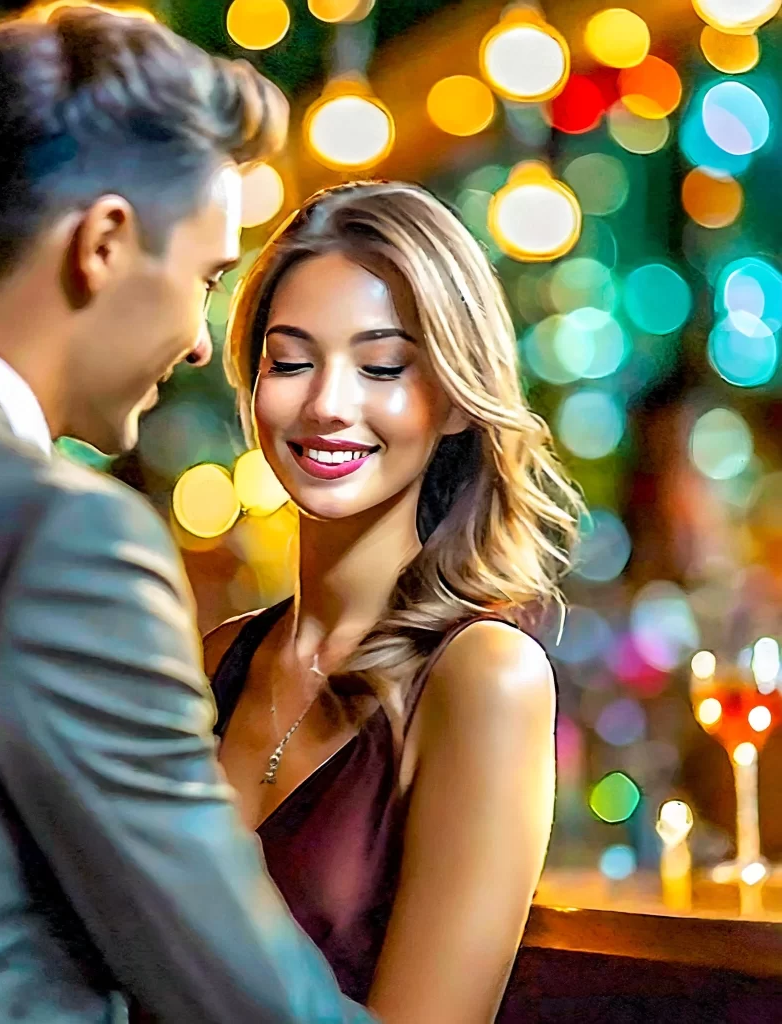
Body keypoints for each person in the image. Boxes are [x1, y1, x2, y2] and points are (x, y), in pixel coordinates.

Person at [0, 10, 375, 1024]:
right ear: (101, 244)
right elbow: (253, 1000)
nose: (193, 344)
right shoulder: (58, 538)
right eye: (208, 279)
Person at [206, 181, 583, 1022]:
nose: (328, 404)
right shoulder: (215, 659)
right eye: (290, 360)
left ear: (452, 398)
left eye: (382, 366)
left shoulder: (486, 675)